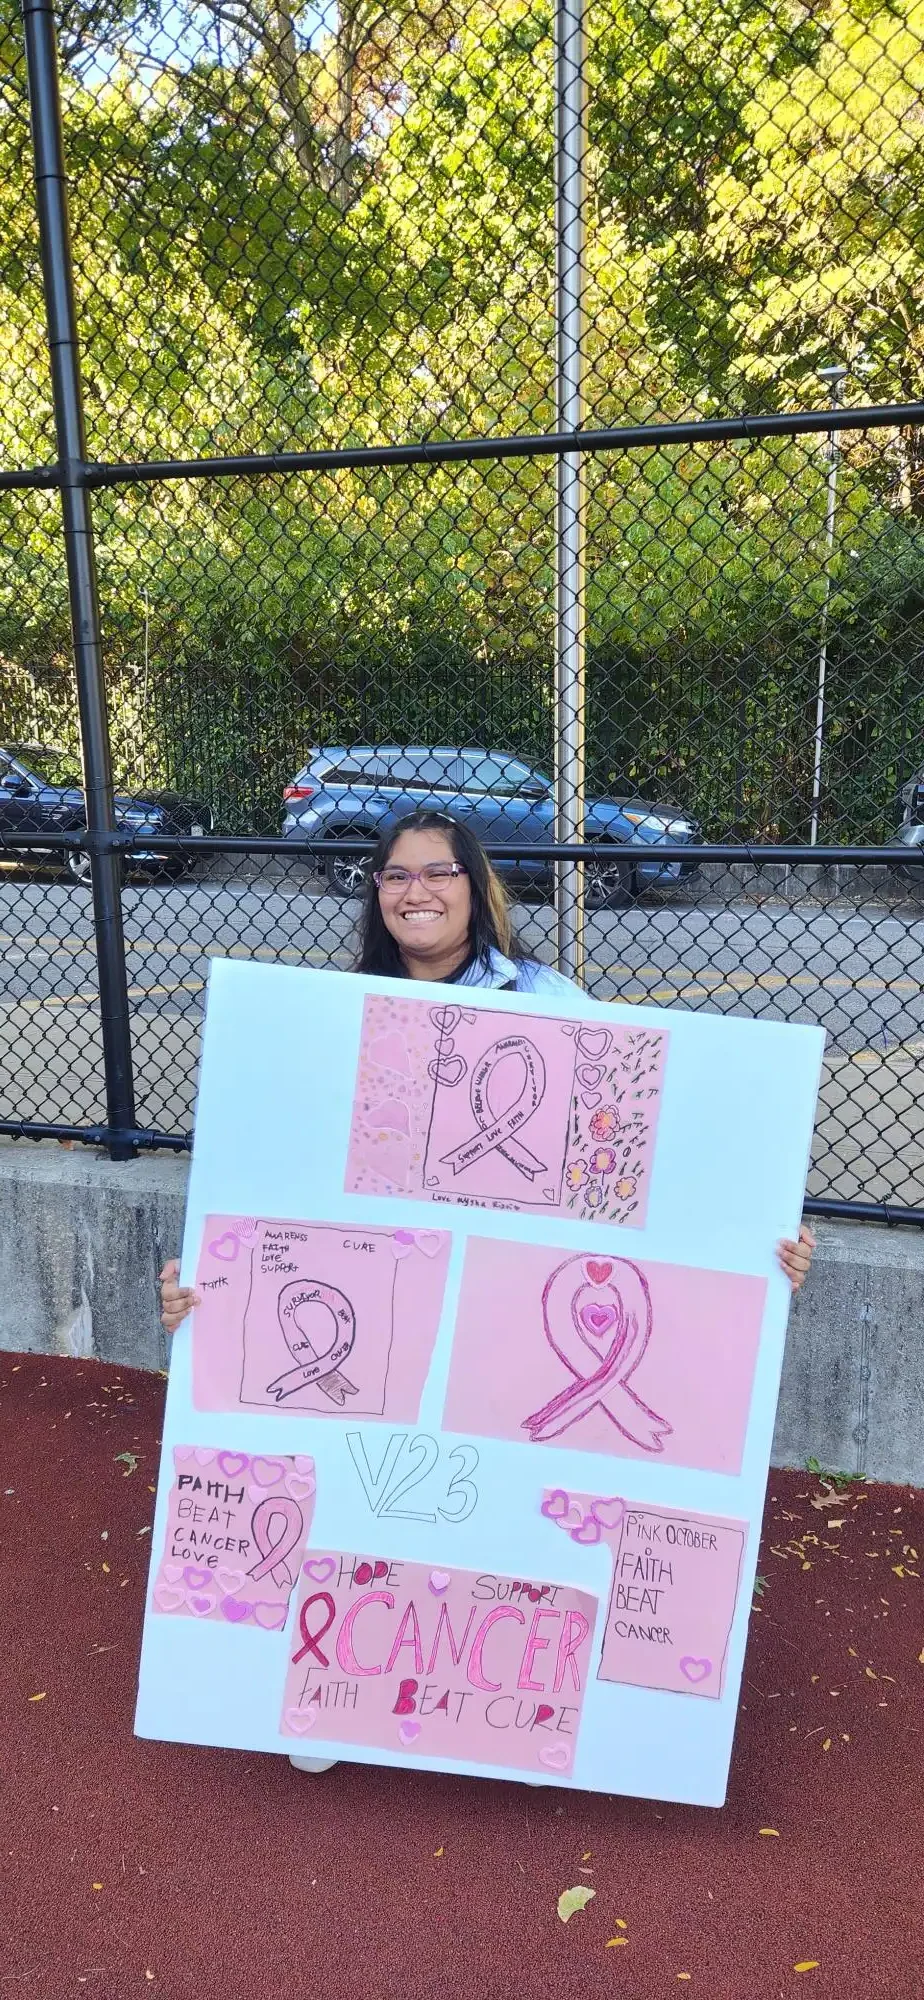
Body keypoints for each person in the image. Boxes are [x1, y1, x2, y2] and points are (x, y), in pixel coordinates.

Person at [158, 808, 816, 1771]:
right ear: (375, 894)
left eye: (438, 873)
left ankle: (504, 1712)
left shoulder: (550, 999)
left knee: (511, 1481)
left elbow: (651, 1147)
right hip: (387, 1290)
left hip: (516, 1291)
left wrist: (760, 1237)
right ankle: (347, 1689)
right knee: (363, 1463)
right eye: (394, 877)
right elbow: (270, 1180)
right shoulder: (327, 1015)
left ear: (476, 887)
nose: (415, 892)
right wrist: (203, 1287)